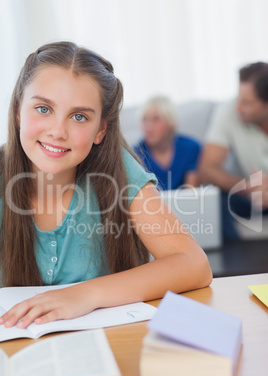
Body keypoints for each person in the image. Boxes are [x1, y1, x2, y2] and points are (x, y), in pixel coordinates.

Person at [0, 42, 211, 329]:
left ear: (101, 129)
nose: (57, 132)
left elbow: (194, 264)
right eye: (42, 108)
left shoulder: (118, 170)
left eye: (79, 117)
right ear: (17, 111)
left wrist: (84, 295)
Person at [198, 62, 268, 240]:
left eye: (247, 103)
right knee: (215, 199)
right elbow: (207, 170)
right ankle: (238, 266)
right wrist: (250, 186)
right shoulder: (229, 112)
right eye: (238, 99)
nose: (238, 107)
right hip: (251, 197)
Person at [134, 96, 201, 190]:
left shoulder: (191, 148)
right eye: (145, 120)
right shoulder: (135, 155)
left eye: (156, 119)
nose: (149, 127)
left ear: (171, 122)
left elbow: (191, 193)